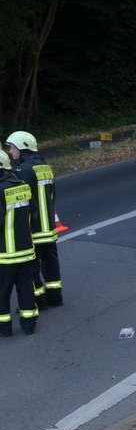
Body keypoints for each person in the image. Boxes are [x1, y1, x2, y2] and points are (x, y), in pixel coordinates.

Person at [6, 131, 62, 306]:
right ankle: (55, 297)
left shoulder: (23, 170)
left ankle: (39, 300)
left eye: (12, 148)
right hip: (49, 228)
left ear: (21, 148)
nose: (10, 152)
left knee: (31, 269)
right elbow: (52, 195)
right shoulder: (45, 167)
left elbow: (25, 202)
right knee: (51, 262)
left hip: (34, 228)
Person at [0, 149, 39, 336]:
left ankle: (4, 328)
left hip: (5, 254)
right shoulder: (22, 184)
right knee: (25, 289)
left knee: (2, 292)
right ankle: (29, 324)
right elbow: (32, 211)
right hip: (26, 250)